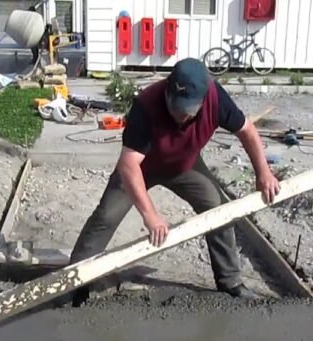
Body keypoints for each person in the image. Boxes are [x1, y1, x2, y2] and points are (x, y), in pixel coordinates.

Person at [66, 58, 281, 306]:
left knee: (218, 209)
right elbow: (128, 164)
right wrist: (151, 215)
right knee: (106, 216)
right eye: (175, 108)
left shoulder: (216, 98)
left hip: (184, 165)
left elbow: (247, 131)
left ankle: (230, 281)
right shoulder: (146, 104)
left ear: (202, 100)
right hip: (140, 169)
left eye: (187, 111)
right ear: (168, 89)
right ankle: (76, 282)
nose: (180, 116)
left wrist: (263, 172)